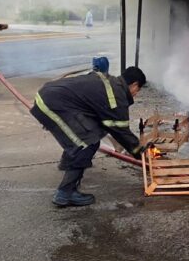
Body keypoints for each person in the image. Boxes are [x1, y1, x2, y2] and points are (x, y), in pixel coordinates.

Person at [30, 66, 148, 207]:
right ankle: (65, 193)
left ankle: (67, 165)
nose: (136, 94)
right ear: (134, 84)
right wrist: (139, 151)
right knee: (86, 143)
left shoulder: (111, 84)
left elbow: (105, 123)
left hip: (51, 97)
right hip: (54, 103)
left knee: (85, 134)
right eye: (138, 90)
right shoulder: (117, 95)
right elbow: (120, 130)